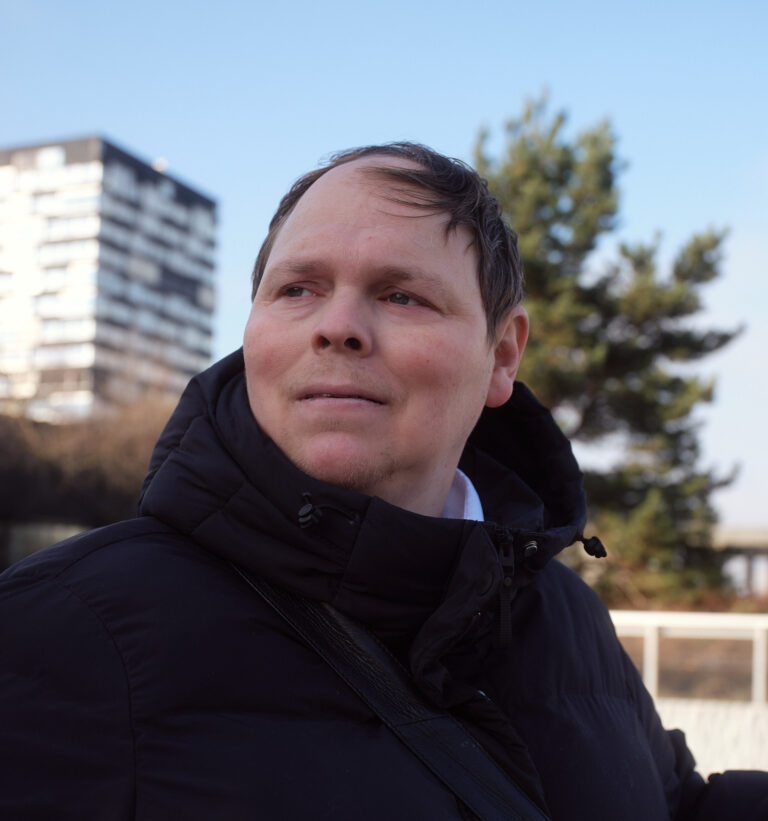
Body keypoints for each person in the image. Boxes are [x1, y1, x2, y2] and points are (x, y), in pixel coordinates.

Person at [1, 142, 766, 820]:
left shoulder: (565, 613)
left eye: (402, 295)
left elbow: (672, 806)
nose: (336, 325)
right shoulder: (59, 631)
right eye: (297, 289)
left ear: (502, 355)